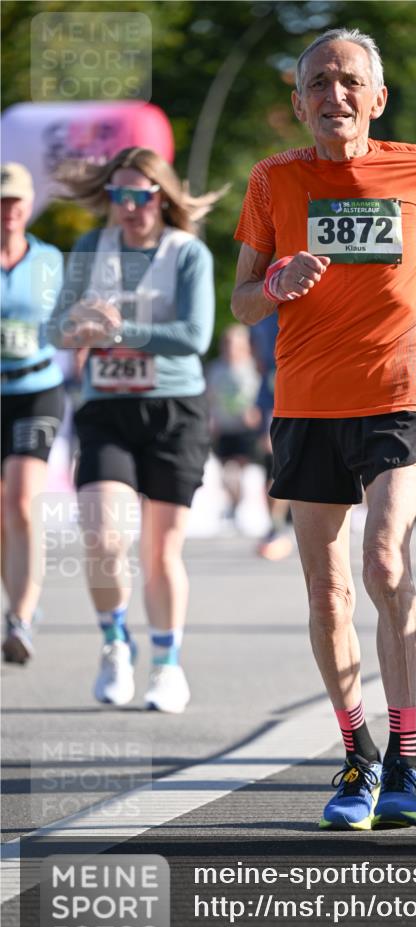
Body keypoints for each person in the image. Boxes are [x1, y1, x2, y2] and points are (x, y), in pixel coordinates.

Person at [231, 28, 416, 830]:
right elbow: (240, 298)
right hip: (307, 403)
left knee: (383, 559)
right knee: (328, 590)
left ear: (375, 99)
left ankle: (406, 763)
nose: (332, 95)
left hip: (397, 390)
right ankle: (356, 755)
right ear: (298, 101)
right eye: (317, 83)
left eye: (348, 81)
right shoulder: (273, 180)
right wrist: (275, 279)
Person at [48, 147, 221, 712]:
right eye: (119, 196)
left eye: (141, 196)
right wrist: (76, 326)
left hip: (175, 410)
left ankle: (168, 664)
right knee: (102, 538)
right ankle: (114, 641)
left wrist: (123, 330)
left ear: (162, 197)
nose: (128, 208)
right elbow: (57, 327)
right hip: (107, 408)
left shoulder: (187, 252)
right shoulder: (88, 250)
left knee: (160, 549)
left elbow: (195, 335)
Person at [1, 163, 66, 664]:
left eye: (16, 201)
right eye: (2, 202)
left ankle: (21, 616)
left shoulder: (49, 261)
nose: (9, 211)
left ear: (29, 206)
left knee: (22, 499)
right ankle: (17, 605)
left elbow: (72, 319)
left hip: (38, 388)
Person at [206, 323, 264, 531]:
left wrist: (257, 412)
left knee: (240, 471)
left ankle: (241, 507)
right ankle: (233, 504)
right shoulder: (216, 368)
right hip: (224, 427)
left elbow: (263, 395)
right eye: (228, 343)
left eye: (236, 344)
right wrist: (210, 419)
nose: (231, 348)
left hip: (245, 429)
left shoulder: (252, 368)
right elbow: (209, 397)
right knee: (225, 474)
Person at [250, 313, 293, 560]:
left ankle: (277, 526)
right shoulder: (263, 315)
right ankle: (275, 526)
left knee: (281, 463)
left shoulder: (266, 314)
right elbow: (256, 359)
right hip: (272, 398)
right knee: (274, 463)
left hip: (294, 394)